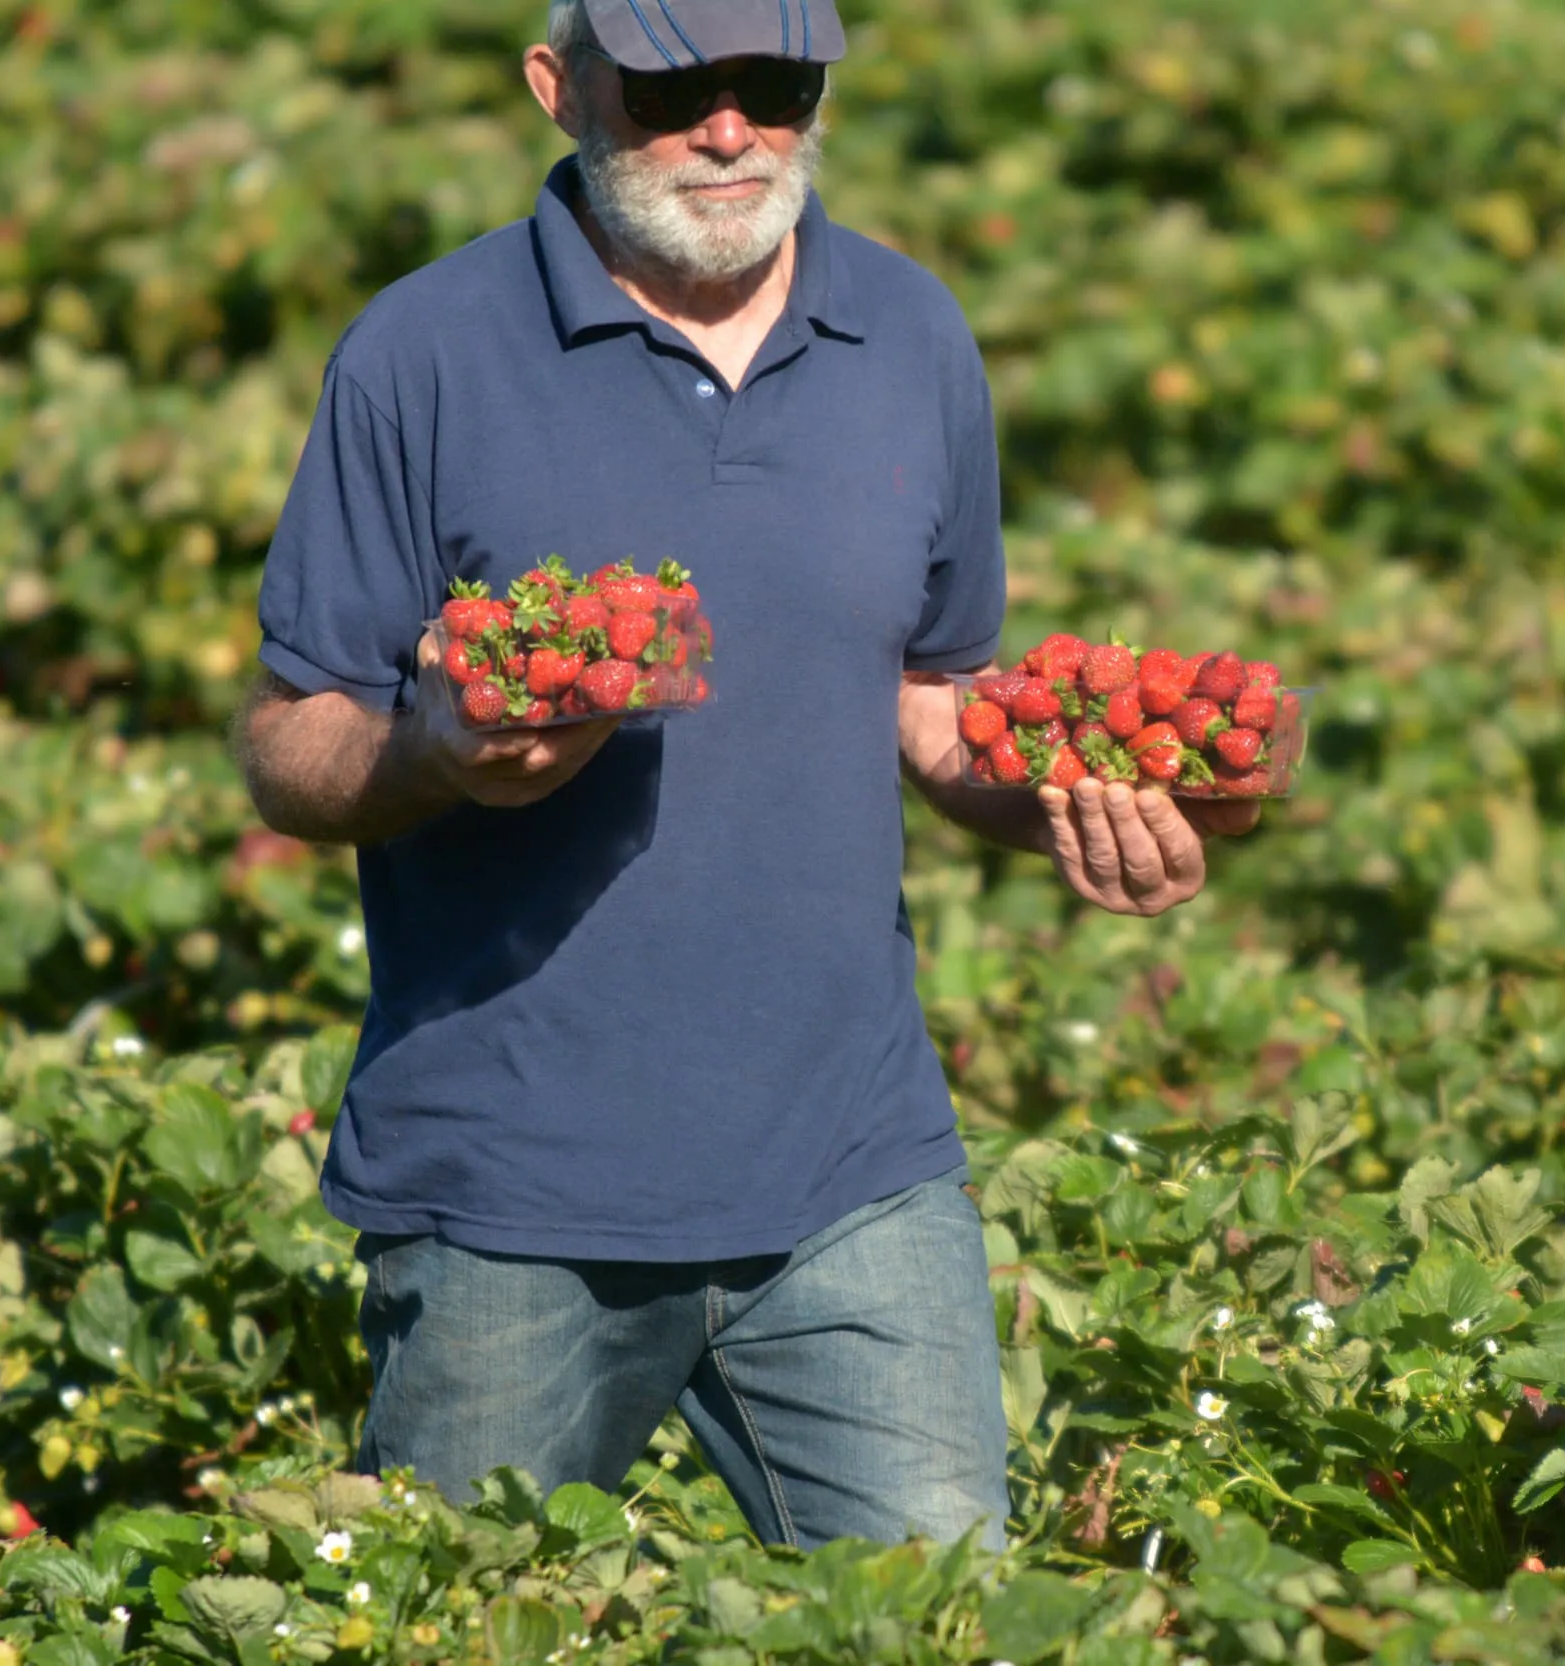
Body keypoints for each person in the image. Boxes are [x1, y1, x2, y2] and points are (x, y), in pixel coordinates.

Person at [233, 0, 1254, 1551]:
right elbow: (288, 738)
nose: (730, 130)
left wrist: (1077, 804)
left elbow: (932, 695)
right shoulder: (423, 352)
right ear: (558, 85)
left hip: (855, 1174)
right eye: (673, 86)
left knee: (949, 1631)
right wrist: (429, 749)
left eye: (775, 84)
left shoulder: (912, 334)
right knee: (456, 1622)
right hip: (512, 1191)